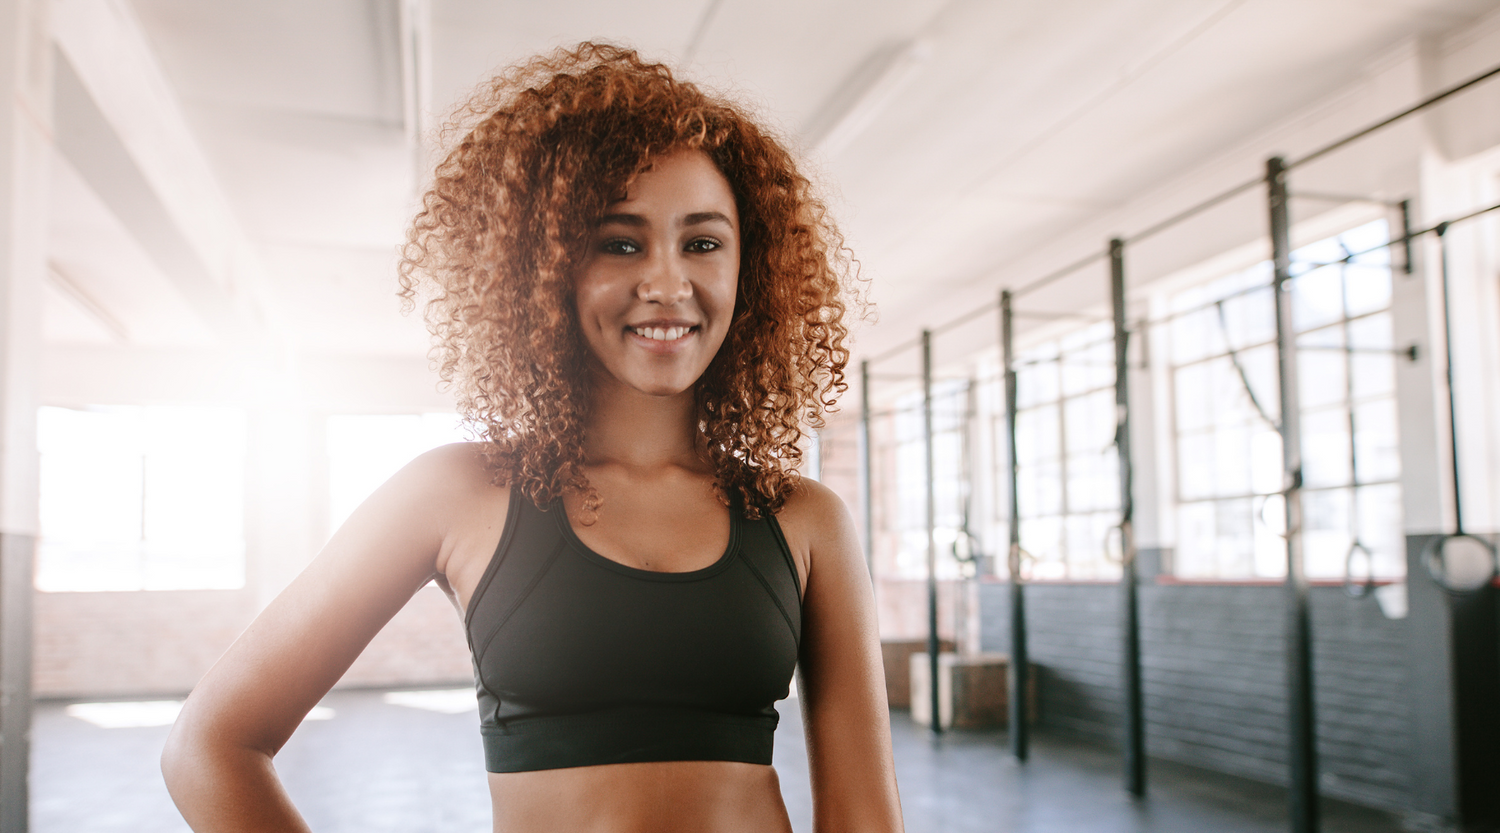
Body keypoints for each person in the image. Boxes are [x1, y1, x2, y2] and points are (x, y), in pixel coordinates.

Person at [161, 42, 903, 833]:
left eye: (702, 242)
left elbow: (865, 820)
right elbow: (210, 746)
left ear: (747, 271)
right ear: (545, 266)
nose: (666, 282)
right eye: (620, 241)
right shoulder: (455, 494)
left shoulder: (805, 517)